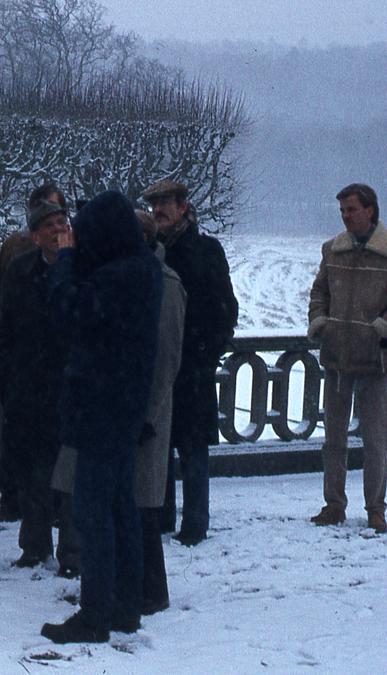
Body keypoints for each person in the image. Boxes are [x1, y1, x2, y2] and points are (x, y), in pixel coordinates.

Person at [41, 190, 162, 644]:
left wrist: (66, 259)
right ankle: (124, 609)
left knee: (93, 513)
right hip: (123, 404)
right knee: (120, 509)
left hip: (101, 406)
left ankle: (94, 616)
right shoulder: (143, 267)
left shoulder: (119, 275)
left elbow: (67, 308)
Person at [307, 183, 387, 534]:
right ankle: (333, 505)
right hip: (336, 358)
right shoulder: (332, 250)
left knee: (375, 441)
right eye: (342, 210)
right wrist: (319, 321)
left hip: (374, 359)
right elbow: (319, 291)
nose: (345, 216)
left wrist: (383, 328)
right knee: (333, 440)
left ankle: (376, 509)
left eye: (351, 209)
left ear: (370, 210)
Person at [144, 179, 238, 546]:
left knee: (193, 449)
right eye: (154, 206)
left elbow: (226, 309)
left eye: (165, 204)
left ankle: (195, 524)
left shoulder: (206, 250)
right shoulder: (152, 251)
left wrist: (204, 354)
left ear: (184, 207)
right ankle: (162, 517)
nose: (158, 211)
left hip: (194, 368)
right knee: (160, 446)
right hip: (162, 367)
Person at [0, 183, 69, 525]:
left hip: (60, 373)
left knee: (57, 449)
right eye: (44, 215)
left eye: (59, 216)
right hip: (24, 371)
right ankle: (15, 505)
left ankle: (55, 513)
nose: (55, 226)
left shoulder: (75, 255)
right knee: (15, 444)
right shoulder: (15, 252)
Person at [0, 200, 79, 572]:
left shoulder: (81, 266)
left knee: (73, 476)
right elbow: (5, 329)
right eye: (49, 226)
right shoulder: (19, 270)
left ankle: (73, 553)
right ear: (34, 235)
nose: (58, 230)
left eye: (62, 222)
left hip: (71, 387)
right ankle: (34, 546)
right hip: (30, 389)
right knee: (34, 475)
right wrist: (11, 379)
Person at [132, 210, 185, 616]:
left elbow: (167, 358)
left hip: (148, 414)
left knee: (146, 506)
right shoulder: (143, 277)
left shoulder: (165, 284)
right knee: (135, 504)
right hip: (138, 412)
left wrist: (147, 415)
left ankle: (153, 589)